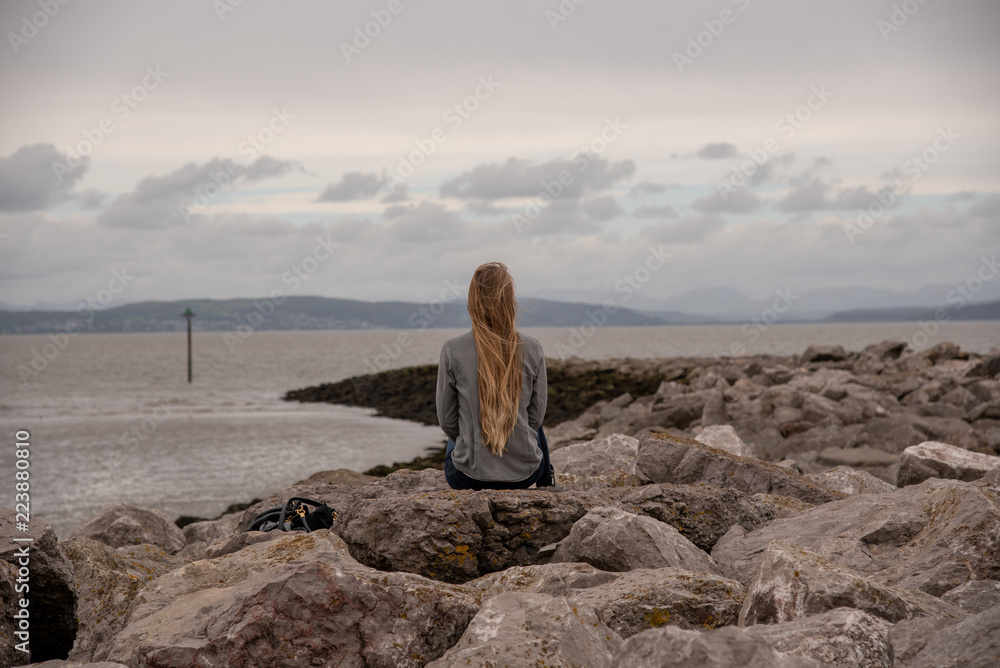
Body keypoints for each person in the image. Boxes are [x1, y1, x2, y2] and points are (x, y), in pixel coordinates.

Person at [436, 262, 555, 490]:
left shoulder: (453, 349)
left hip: (468, 477)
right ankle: (546, 480)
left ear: (473, 301)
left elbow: (447, 421)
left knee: (460, 425)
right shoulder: (533, 347)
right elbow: (535, 419)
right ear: (510, 301)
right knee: (533, 428)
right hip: (525, 475)